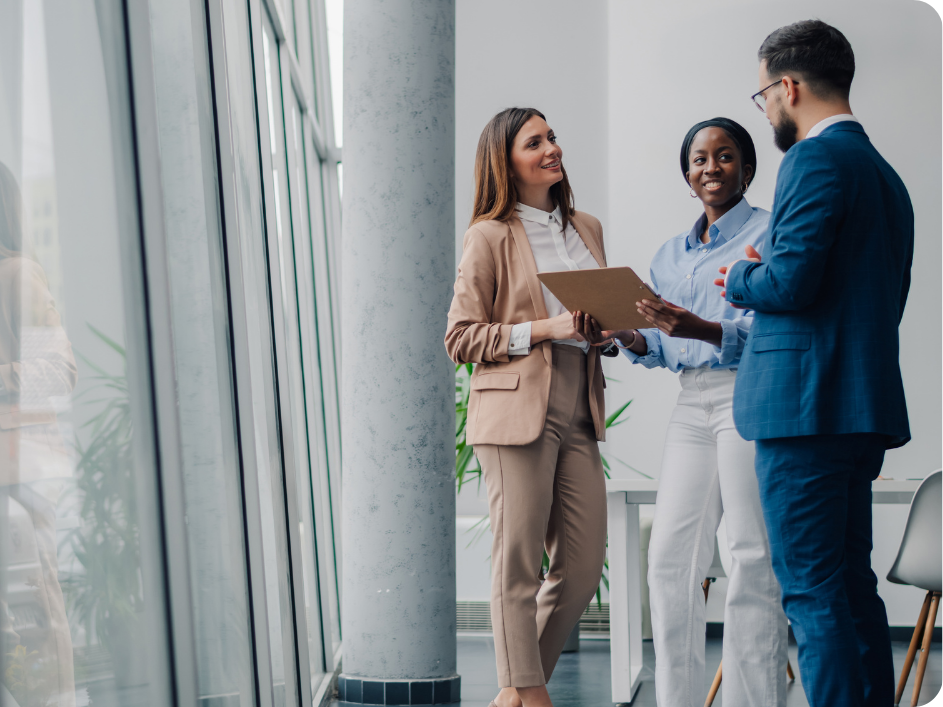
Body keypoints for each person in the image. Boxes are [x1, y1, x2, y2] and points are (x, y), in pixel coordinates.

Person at [716, 20, 914, 707]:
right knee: (848, 587)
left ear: (787, 86)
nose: (765, 107)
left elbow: (789, 284)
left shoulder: (812, 160)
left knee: (810, 590)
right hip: (853, 409)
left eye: (762, 93)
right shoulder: (884, 176)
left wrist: (740, 278)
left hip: (805, 412)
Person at [581, 118, 789, 707]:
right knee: (670, 561)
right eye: (699, 159)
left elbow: (773, 330)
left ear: (747, 167)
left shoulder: (771, 232)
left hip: (749, 393)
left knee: (750, 554)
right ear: (686, 173)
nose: (711, 168)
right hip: (692, 400)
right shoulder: (671, 255)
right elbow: (669, 349)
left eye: (725, 157)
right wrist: (629, 336)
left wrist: (698, 325)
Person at [445, 107, 614, 707]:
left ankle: (513, 695)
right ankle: (530, 695)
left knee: (584, 564)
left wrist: (605, 330)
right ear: (506, 161)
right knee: (517, 561)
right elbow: (461, 337)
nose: (552, 148)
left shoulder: (586, 227)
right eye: (534, 141)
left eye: (553, 137)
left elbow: (591, 316)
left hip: (579, 401)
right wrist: (546, 328)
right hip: (516, 406)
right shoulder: (488, 234)